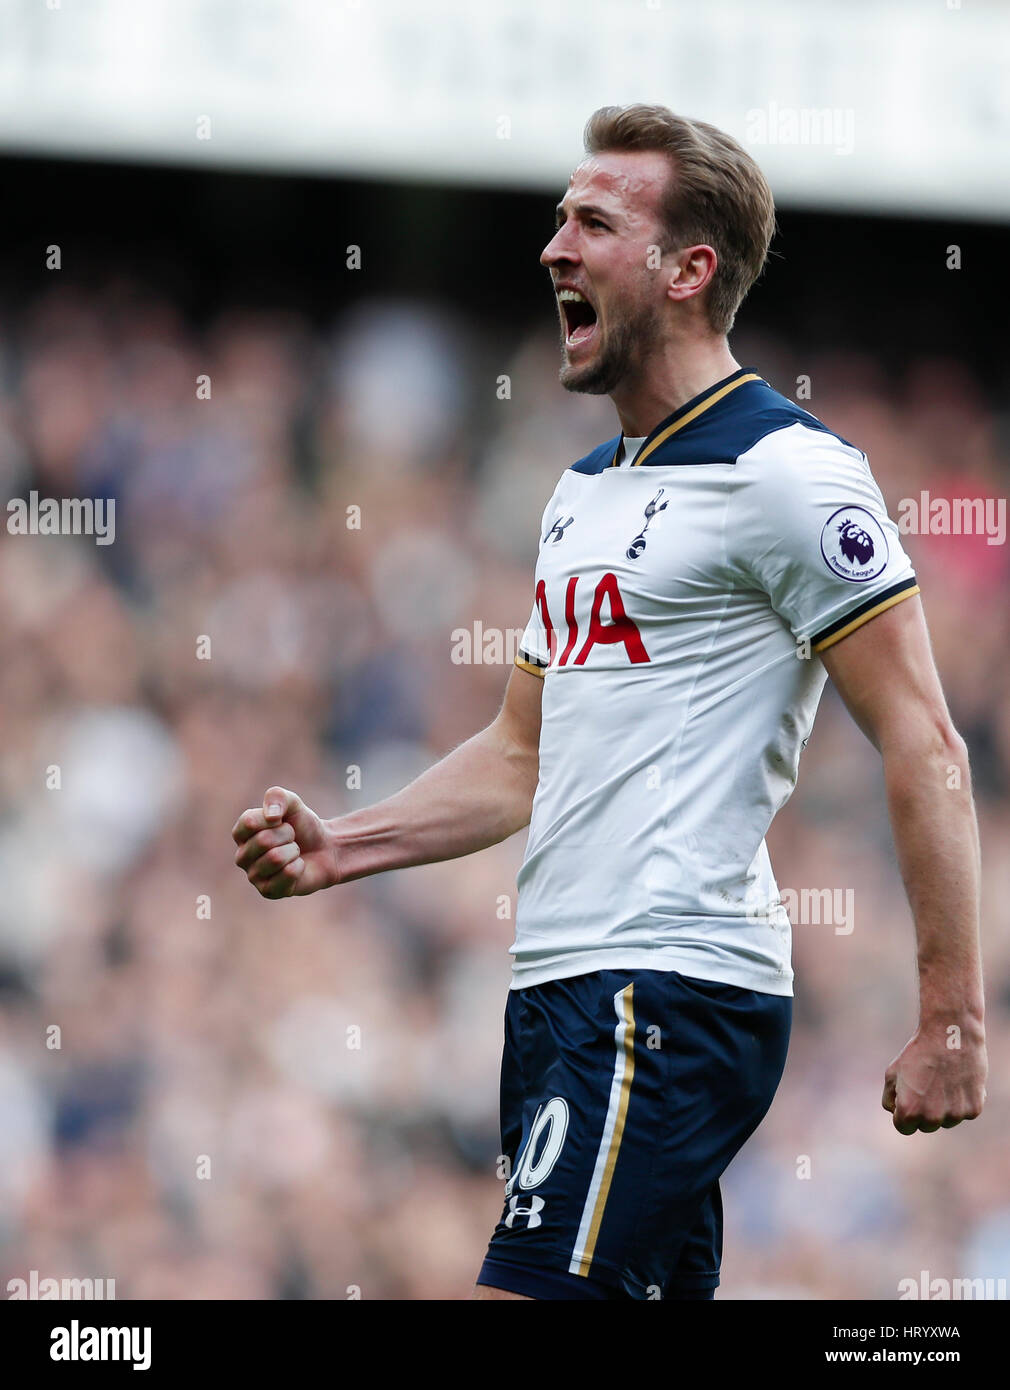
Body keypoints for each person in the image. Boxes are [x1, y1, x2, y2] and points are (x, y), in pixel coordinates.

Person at [232, 105, 987, 1301]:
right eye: (555, 219)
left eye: (591, 222)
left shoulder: (785, 470)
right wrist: (346, 845)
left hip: (665, 986)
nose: (552, 249)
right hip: (558, 987)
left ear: (688, 269)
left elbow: (924, 739)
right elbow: (519, 755)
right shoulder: (580, 491)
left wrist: (952, 1018)